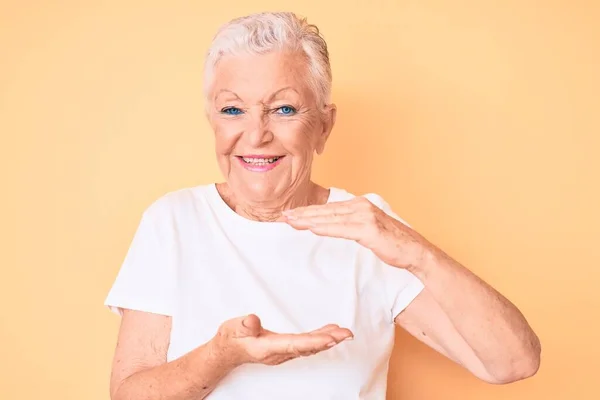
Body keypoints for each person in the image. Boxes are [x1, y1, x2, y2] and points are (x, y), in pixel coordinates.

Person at [104, 11, 541, 400]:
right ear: (212, 122)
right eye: (233, 110)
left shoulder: (368, 227)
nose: (256, 135)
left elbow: (513, 363)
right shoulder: (173, 220)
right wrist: (222, 355)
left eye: (284, 108)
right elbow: (129, 395)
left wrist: (418, 254)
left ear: (324, 126)